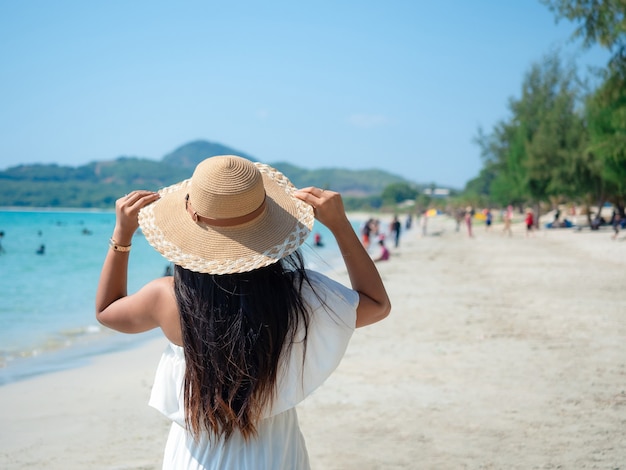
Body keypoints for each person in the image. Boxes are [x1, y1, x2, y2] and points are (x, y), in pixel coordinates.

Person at [95, 155, 391, 469]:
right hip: (276, 454)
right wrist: (341, 226)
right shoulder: (299, 295)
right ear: (268, 222)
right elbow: (377, 304)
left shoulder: (168, 297)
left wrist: (122, 236)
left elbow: (107, 310)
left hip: (196, 457)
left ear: (190, 217)